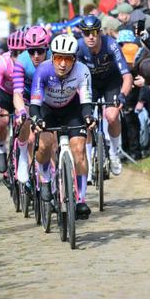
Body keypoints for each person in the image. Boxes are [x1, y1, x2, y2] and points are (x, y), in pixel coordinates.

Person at [30, 34, 95, 219]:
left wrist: (88, 117)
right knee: (44, 145)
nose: (63, 64)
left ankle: (81, 200)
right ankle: (45, 178)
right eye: (59, 58)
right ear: (52, 57)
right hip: (47, 111)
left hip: (72, 110)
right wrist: (36, 119)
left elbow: (86, 102)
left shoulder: (82, 71)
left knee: (79, 149)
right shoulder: (43, 70)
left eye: (68, 59)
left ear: (75, 59)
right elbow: (34, 104)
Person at [77, 15, 133, 176]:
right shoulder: (78, 47)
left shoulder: (111, 45)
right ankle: (87, 161)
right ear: (82, 34)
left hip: (111, 82)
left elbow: (127, 76)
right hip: (90, 84)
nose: (91, 37)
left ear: (100, 32)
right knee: (86, 120)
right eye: (86, 33)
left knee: (112, 116)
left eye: (94, 32)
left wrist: (122, 95)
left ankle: (114, 153)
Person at [0, 30, 28, 176]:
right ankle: (1, 148)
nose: (18, 57)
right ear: (10, 52)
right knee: (2, 121)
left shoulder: (31, 63)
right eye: (15, 53)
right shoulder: (2, 63)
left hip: (22, 95)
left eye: (22, 53)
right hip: (6, 95)